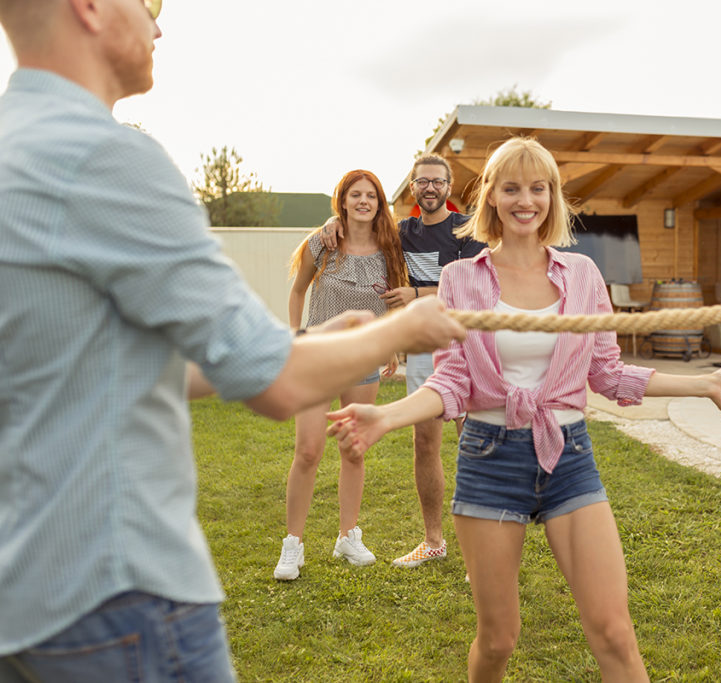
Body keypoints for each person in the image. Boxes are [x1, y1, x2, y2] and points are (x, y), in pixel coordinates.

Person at [0, 2, 465, 681]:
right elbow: (272, 379)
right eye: (151, 3)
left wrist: (325, 337)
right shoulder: (110, 157)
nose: (160, 25)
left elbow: (104, 362)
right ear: (91, 7)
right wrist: (407, 325)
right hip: (117, 595)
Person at [327, 137, 721, 681]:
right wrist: (386, 416)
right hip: (489, 459)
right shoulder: (461, 280)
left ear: (552, 196)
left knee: (616, 633)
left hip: (569, 458)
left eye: (538, 187)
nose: (526, 199)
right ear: (493, 199)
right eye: (511, 188)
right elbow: (453, 380)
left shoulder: (582, 276)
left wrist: (703, 384)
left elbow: (607, 373)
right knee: (499, 640)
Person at [322, 154, 485, 567]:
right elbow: (360, 228)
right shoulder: (401, 233)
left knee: (479, 444)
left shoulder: (467, 231)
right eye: (422, 182)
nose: (430, 188)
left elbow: (474, 290)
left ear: (449, 187)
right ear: (412, 188)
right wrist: (332, 223)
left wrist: (417, 295)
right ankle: (434, 542)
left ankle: (483, 551)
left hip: (470, 349)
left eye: (437, 181)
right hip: (424, 354)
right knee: (424, 444)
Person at [273, 170, 408, 580]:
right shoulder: (324, 242)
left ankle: (347, 536)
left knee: (353, 448)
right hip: (317, 358)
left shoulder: (390, 248)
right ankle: (292, 545)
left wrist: (390, 345)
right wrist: (297, 338)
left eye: (371, 195)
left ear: (379, 203)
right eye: (356, 195)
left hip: (362, 361)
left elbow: (394, 300)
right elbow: (298, 290)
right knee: (309, 451)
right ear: (343, 201)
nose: (364, 201)